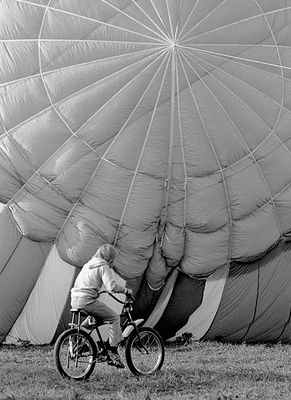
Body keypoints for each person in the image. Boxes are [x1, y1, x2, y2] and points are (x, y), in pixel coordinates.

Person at [71, 244, 133, 369]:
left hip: (75, 300)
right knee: (114, 317)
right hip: (87, 301)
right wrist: (126, 291)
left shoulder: (87, 265)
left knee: (97, 317)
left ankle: (79, 338)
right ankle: (112, 351)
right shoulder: (103, 266)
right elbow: (111, 286)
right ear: (109, 257)